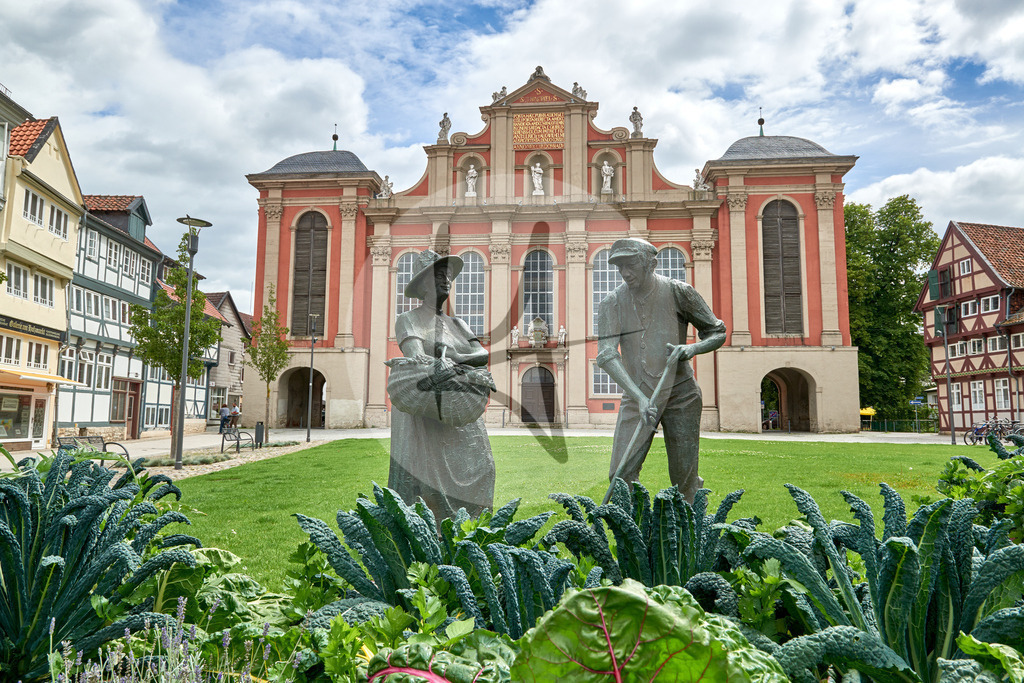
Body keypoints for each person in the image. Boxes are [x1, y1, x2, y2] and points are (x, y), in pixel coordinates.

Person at [596, 238, 726, 502]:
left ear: (651, 264)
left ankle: (687, 534)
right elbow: (607, 355)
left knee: (684, 479)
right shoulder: (611, 303)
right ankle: (632, 535)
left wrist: (690, 349)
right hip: (637, 396)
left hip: (681, 394)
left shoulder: (680, 292)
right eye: (620, 266)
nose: (625, 272)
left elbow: (717, 332)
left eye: (630, 264)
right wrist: (640, 398)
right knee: (620, 475)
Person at [387, 249, 495, 520]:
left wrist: (455, 357)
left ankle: (473, 530)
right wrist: (443, 363)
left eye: (448, 276)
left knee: (485, 466)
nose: (446, 280)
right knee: (427, 482)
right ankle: (432, 533)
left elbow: (482, 355)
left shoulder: (456, 323)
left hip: (460, 404)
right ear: (423, 284)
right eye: (438, 275)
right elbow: (416, 358)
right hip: (425, 406)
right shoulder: (408, 319)